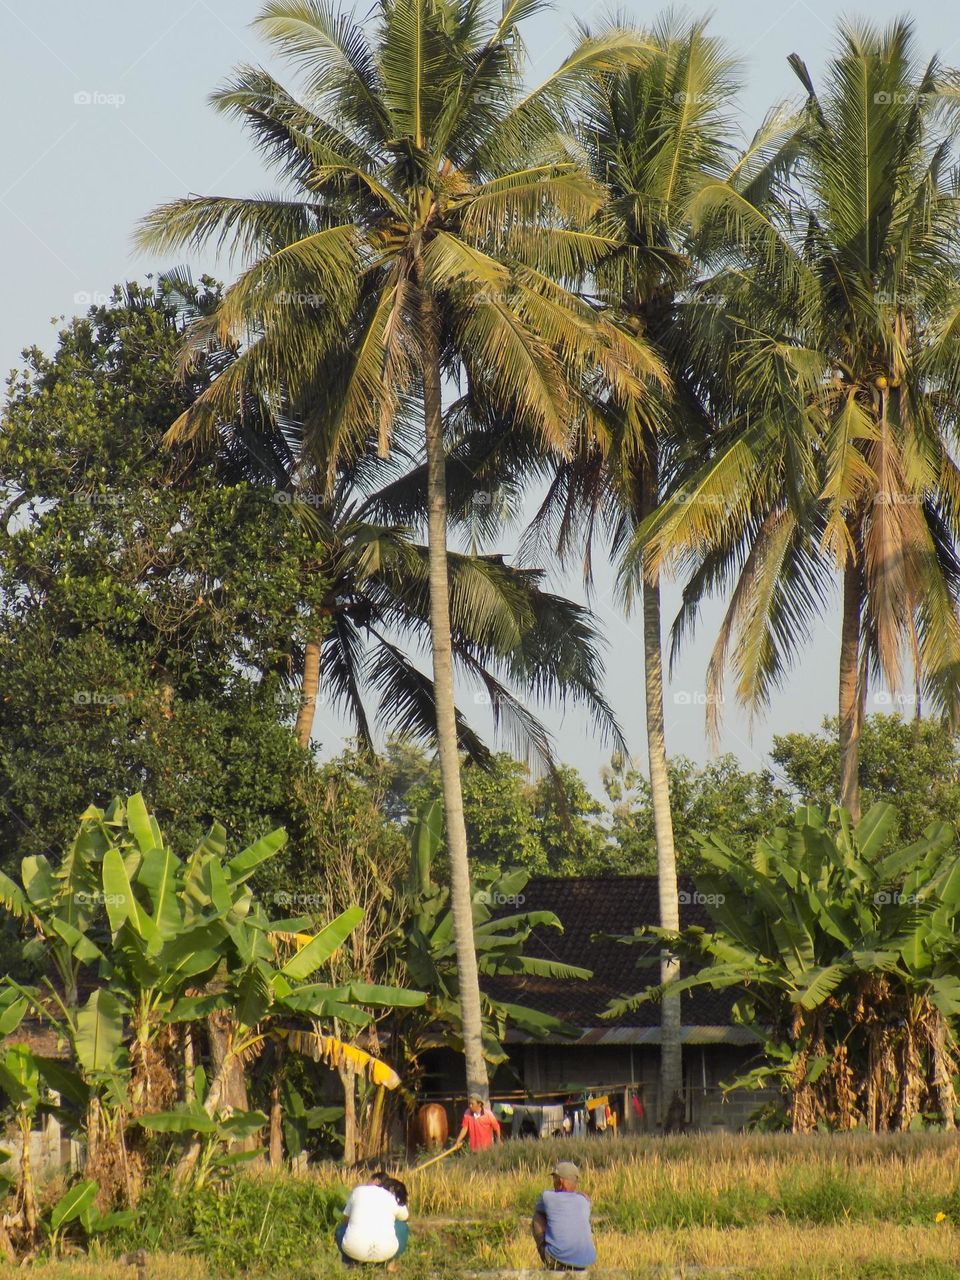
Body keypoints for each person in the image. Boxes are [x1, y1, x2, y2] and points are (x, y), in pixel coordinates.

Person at [335, 1170, 410, 1270]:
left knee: (340, 1230)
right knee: (402, 1226)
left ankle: (351, 1262)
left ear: (376, 1181)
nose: (366, 1183)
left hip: (354, 1249)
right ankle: (391, 1263)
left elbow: (345, 1220)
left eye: (368, 1180)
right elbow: (406, 1217)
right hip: (386, 1251)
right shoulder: (392, 1197)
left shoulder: (358, 1191)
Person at [531, 1160, 596, 1272]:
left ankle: (550, 1259)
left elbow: (538, 1208)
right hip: (585, 1261)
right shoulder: (585, 1201)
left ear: (560, 1181)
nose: (553, 1182)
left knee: (538, 1216)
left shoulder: (547, 1197)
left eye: (554, 1179)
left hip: (557, 1258)